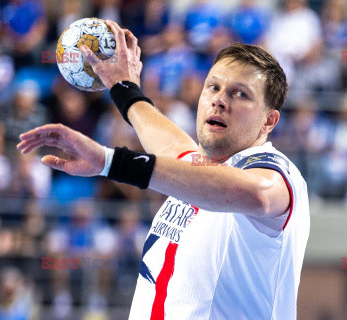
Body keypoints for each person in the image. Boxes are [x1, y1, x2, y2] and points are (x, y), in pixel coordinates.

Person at [17, 20, 310, 319]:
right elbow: (171, 147)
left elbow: (256, 193)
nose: (219, 100)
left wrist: (112, 162)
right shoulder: (198, 170)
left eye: (240, 94)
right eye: (214, 87)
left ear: (269, 121)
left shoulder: (279, 173)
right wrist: (124, 89)